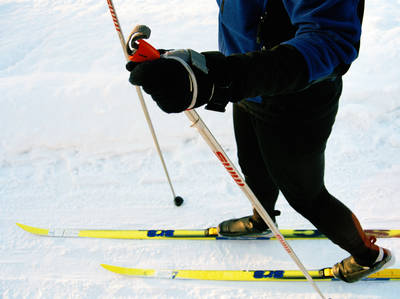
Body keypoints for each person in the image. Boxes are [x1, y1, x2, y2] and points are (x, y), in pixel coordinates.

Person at [125, 0, 394, 283]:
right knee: (253, 167)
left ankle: (368, 256)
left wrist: (224, 76)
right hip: (243, 84)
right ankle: (263, 220)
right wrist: (188, 67)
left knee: (306, 195)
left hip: (298, 98)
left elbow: (331, 40)